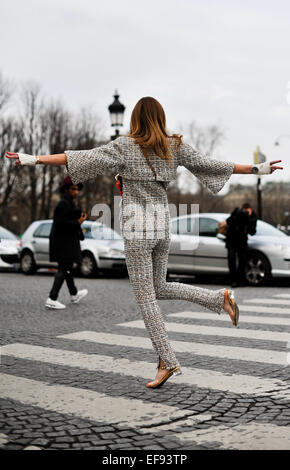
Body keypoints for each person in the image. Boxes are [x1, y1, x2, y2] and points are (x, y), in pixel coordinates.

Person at [6, 97, 283, 388]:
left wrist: (33, 159)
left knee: (146, 299)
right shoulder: (172, 146)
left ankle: (167, 360)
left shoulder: (126, 146)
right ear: (160, 117)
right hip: (162, 227)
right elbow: (210, 164)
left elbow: (79, 158)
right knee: (160, 288)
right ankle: (218, 299)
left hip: (138, 231)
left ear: (135, 119)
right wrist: (257, 170)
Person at [46, 175, 88, 309]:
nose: (76, 192)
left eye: (77, 189)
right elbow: (60, 223)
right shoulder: (63, 203)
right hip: (62, 242)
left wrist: (78, 218)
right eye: (73, 189)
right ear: (66, 189)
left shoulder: (68, 202)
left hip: (65, 241)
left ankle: (74, 294)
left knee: (67, 269)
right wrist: (78, 222)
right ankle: (52, 298)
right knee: (64, 269)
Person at [225, 203, 258, 287]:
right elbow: (228, 222)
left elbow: (252, 232)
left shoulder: (252, 216)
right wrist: (238, 216)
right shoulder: (236, 212)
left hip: (242, 241)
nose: (246, 213)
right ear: (242, 209)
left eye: (248, 212)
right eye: (245, 211)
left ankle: (240, 279)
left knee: (242, 260)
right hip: (232, 240)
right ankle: (233, 279)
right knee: (231, 259)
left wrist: (249, 219)